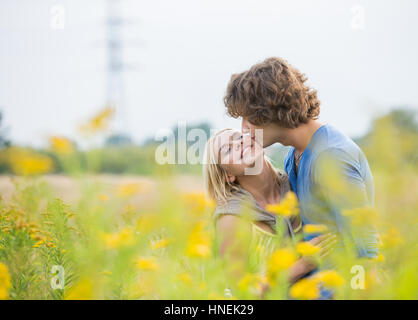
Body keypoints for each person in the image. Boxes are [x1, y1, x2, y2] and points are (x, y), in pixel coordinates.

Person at [223, 57, 379, 261]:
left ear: (270, 108)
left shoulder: (332, 155)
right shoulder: (293, 156)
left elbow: (366, 246)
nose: (244, 128)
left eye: (248, 116)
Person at [203, 128, 334, 298]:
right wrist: (301, 266)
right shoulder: (231, 218)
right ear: (228, 175)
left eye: (239, 136)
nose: (239, 143)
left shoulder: (294, 180)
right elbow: (241, 293)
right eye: (228, 149)